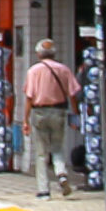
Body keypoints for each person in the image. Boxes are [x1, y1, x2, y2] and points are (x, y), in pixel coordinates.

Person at [21, 38, 81, 199]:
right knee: (57, 147)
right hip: (59, 112)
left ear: (39, 53)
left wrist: (25, 120)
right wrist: (75, 115)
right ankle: (61, 173)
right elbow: (73, 94)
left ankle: (44, 190)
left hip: (40, 113)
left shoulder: (33, 71)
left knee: (41, 153)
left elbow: (29, 97)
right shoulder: (64, 69)